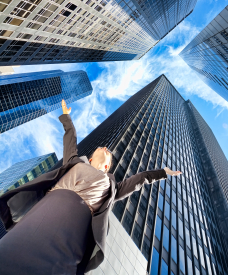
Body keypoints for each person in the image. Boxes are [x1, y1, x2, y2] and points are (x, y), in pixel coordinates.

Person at [0, 99, 182, 274]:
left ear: (107, 167)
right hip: (45, 212)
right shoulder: (74, 161)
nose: (105, 148)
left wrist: (163, 172)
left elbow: (140, 179)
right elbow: (70, 138)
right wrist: (66, 116)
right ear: (92, 158)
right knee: (14, 252)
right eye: (102, 148)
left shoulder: (113, 188)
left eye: (109, 153)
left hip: (75, 231)